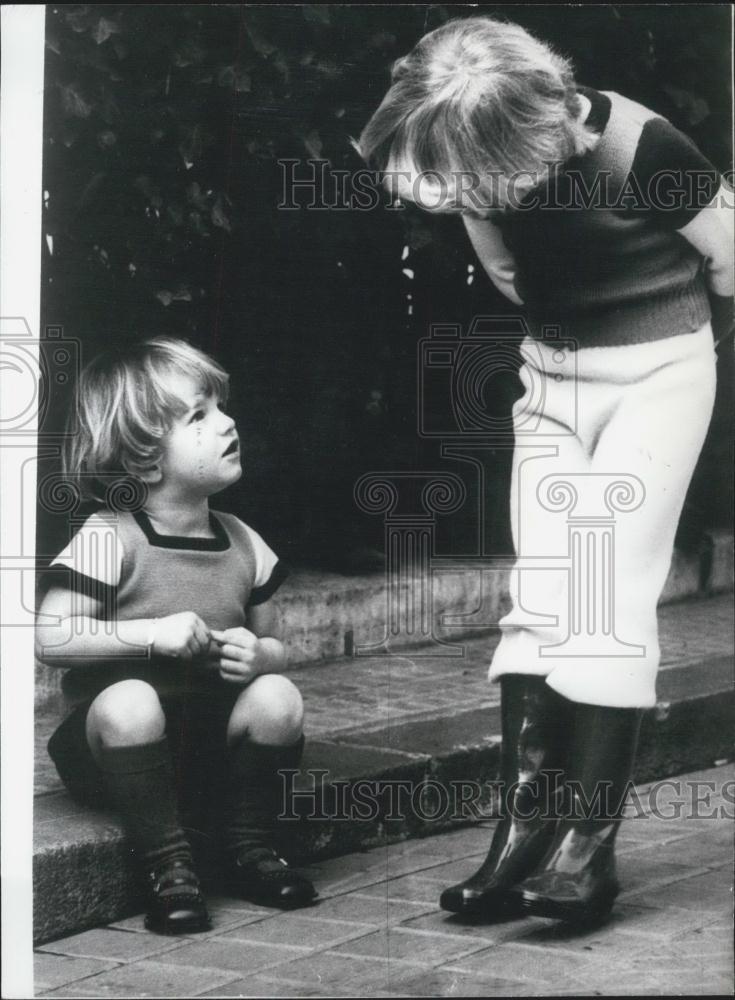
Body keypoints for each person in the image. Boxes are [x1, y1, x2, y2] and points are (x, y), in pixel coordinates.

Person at [356, 16, 733, 924]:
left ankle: (584, 851)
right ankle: (523, 833)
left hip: (657, 377)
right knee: (541, 594)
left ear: (534, 128)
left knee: (607, 594)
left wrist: (685, 361)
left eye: (484, 180)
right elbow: (509, 275)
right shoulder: (473, 162)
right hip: (550, 381)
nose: (473, 198)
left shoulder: (645, 148)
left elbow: (729, 254)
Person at [35, 337, 317, 936]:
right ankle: (169, 868)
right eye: (199, 416)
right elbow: (50, 637)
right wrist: (148, 636)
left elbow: (278, 645)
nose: (227, 422)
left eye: (219, 406)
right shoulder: (111, 535)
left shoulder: (244, 541)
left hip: (208, 746)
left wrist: (258, 654)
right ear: (144, 460)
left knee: (280, 698)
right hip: (116, 748)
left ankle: (251, 848)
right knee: (131, 699)